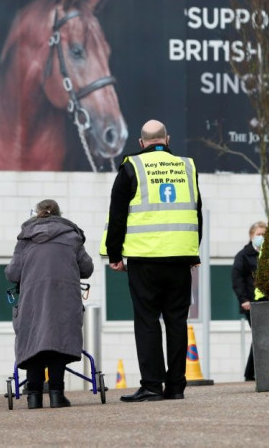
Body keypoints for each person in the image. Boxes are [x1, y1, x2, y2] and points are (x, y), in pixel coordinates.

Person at [101, 119, 202, 402]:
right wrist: (194, 252)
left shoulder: (131, 166)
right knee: (176, 321)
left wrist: (114, 254)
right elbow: (197, 211)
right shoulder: (187, 166)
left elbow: (117, 214)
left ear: (141, 142)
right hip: (181, 259)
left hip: (145, 259)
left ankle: (152, 386)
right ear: (167, 139)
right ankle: (176, 387)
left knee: (147, 321)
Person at [5, 199, 94, 409]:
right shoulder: (72, 236)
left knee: (35, 341)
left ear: (37, 214)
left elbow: (12, 273)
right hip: (64, 298)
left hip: (33, 300)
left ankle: (33, 396)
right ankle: (56, 394)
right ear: (59, 214)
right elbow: (87, 268)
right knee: (57, 341)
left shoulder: (26, 238)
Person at [231, 220, 267, 382]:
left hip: (267, 302)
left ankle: (252, 373)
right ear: (251, 236)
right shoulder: (243, 256)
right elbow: (236, 279)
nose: (262, 237)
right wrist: (243, 299)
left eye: (264, 234)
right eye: (259, 234)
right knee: (261, 335)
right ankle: (250, 373)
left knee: (263, 336)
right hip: (251, 304)